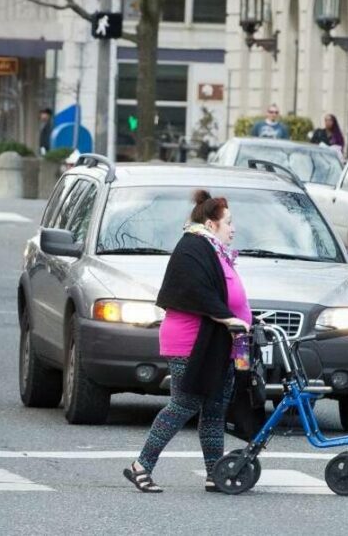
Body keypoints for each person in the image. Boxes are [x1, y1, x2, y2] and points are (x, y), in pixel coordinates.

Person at [124, 190, 253, 494]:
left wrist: (245, 320)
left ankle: (214, 473)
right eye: (229, 222)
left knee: (214, 409)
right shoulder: (192, 247)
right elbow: (193, 290)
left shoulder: (215, 250)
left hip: (216, 343)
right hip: (189, 341)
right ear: (211, 224)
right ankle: (140, 466)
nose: (234, 228)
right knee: (185, 403)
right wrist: (227, 318)